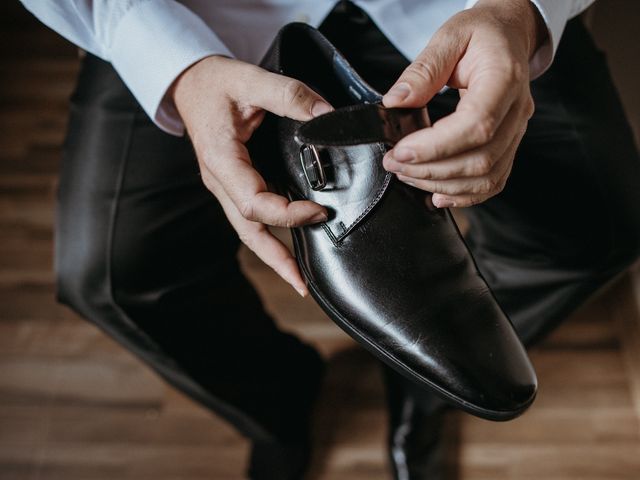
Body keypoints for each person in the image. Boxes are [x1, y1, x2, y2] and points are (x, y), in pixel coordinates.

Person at [19, 0, 640, 478]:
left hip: (460, 10)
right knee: (110, 276)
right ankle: (284, 396)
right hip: (204, 20)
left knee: (602, 227)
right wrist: (170, 63)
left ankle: (420, 383)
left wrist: (523, 11)